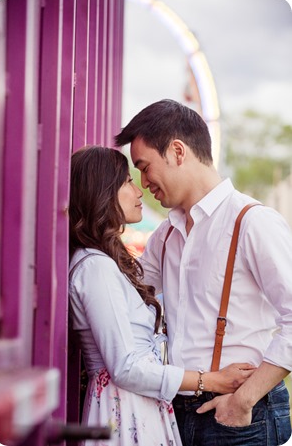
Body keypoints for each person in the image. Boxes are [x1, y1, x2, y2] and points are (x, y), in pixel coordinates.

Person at [115, 99, 292, 446]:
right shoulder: (166, 235)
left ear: (178, 152)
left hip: (242, 415)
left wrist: (244, 401)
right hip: (180, 410)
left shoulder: (252, 221)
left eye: (145, 166)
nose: (143, 181)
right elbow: (125, 294)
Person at [68, 145, 255, 446]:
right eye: (128, 181)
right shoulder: (96, 269)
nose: (140, 189)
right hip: (124, 412)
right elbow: (126, 367)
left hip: (136, 407)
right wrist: (211, 379)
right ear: (101, 193)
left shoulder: (105, 264)